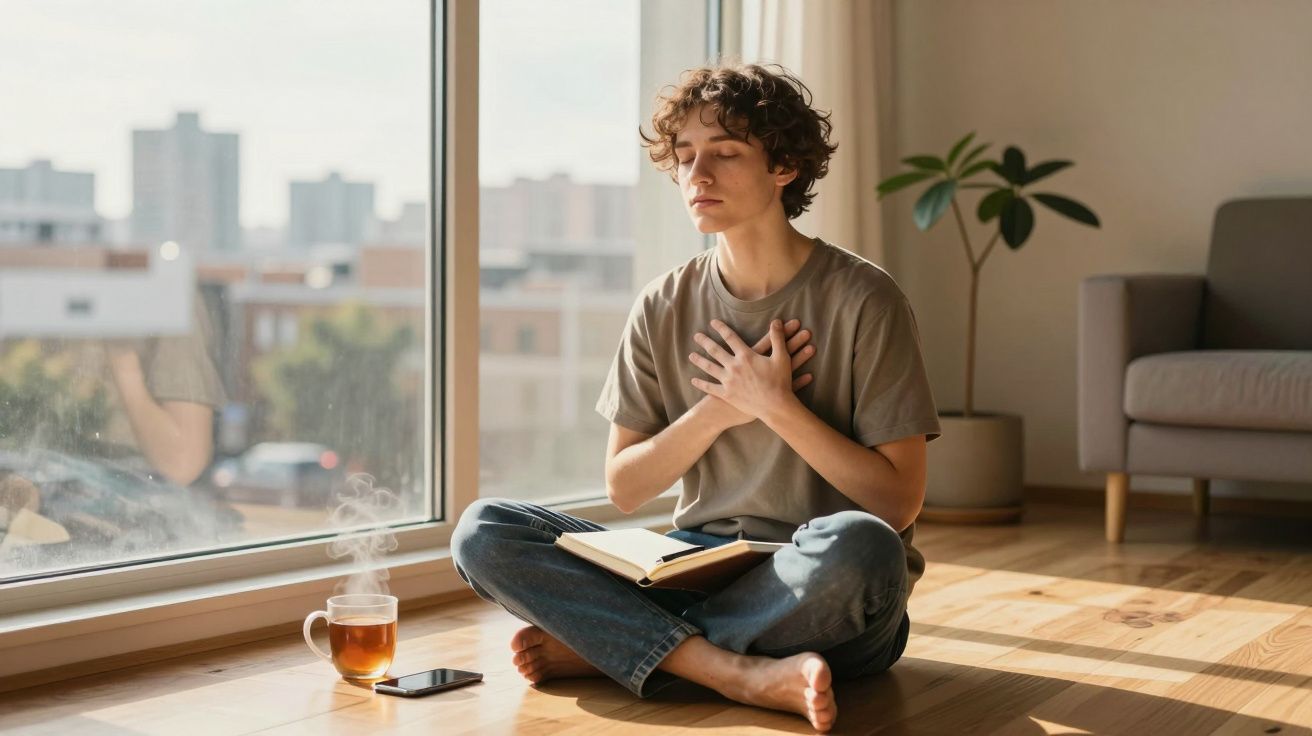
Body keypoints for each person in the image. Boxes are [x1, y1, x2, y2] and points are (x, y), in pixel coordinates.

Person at [452, 62, 940, 732]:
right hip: (692, 563)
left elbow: (898, 501)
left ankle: (623, 646)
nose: (697, 176)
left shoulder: (865, 299)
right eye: (685, 158)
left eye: (725, 154)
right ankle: (733, 670)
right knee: (485, 529)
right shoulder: (662, 303)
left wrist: (777, 407)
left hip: (820, 585)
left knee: (865, 546)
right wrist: (721, 408)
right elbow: (625, 487)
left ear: (785, 167)